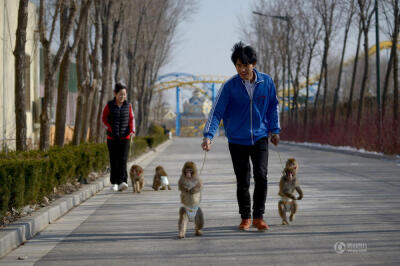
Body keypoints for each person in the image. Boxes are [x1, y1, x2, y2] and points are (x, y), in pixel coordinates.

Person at [201, 42, 280, 231]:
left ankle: (258, 217)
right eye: (238, 65)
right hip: (237, 140)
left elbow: (273, 107)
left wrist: (275, 130)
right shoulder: (230, 87)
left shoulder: (266, 82)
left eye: (245, 65)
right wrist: (208, 136)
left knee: (261, 176)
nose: (242, 69)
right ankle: (245, 217)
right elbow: (216, 112)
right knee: (243, 179)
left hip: (260, 137)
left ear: (253, 63)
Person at [102, 83, 135, 192]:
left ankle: (123, 181)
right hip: (112, 138)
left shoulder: (128, 106)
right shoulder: (109, 105)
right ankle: (114, 182)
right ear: (115, 94)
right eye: (120, 94)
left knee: (123, 159)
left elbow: (131, 119)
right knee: (114, 160)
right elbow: (103, 118)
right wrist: (109, 127)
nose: (122, 97)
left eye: (124, 94)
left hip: (125, 137)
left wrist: (132, 131)